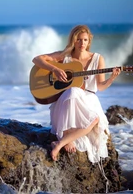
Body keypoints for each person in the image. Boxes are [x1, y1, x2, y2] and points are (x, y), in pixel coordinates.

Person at [32, 25, 121, 163]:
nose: (82, 43)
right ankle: (66, 135)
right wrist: (55, 69)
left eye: (85, 40)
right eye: (78, 40)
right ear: (73, 40)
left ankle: (60, 143)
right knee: (73, 91)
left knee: (94, 120)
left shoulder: (97, 59)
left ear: (89, 41)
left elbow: (100, 87)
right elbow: (37, 59)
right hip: (67, 100)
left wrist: (111, 78)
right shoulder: (65, 56)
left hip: (89, 99)